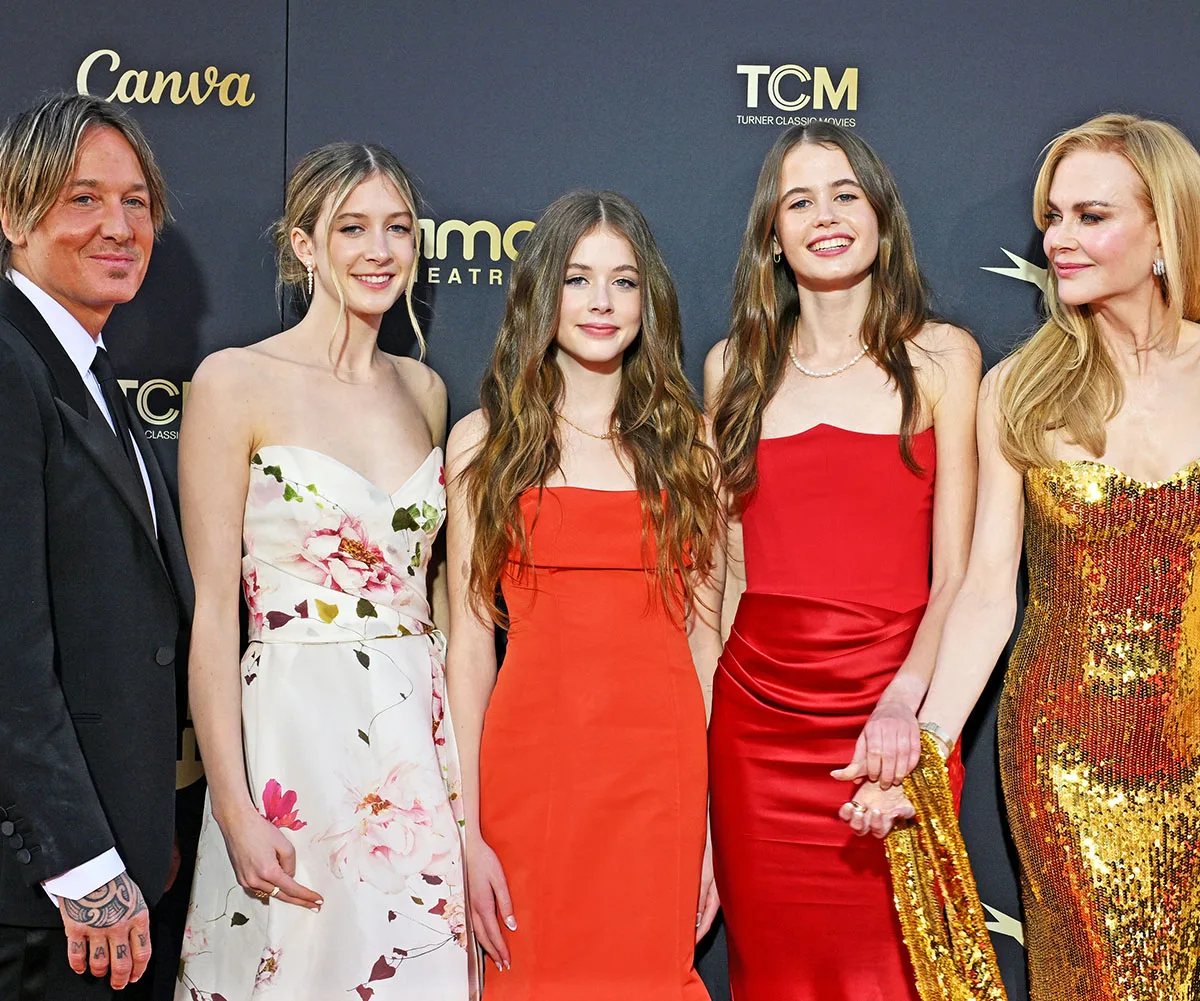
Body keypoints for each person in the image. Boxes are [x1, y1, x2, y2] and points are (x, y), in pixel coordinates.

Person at [904, 113, 1200, 1000]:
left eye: (1090, 216)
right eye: (1053, 217)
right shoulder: (1019, 389)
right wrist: (928, 746)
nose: (1058, 240)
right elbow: (988, 592)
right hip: (1065, 753)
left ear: (1164, 231)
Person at [175, 143, 475, 1000]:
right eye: (352, 228)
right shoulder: (234, 381)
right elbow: (213, 616)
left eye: (398, 228)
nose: (380, 250)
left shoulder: (423, 391)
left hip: (415, 743)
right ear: (304, 245)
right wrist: (233, 804)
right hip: (292, 738)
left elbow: (439, 604)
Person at [704, 123, 980, 1001]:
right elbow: (724, 580)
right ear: (772, 236)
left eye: (845, 194)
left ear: (881, 216)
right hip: (755, 728)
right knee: (777, 974)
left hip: (891, 716)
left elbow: (957, 577)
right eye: (800, 201)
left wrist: (906, 703)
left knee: (889, 976)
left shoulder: (943, 357)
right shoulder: (732, 369)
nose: (825, 216)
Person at [445, 189, 723, 1000]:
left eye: (623, 281)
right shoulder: (485, 443)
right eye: (577, 278)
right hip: (530, 772)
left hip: (660, 774)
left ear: (648, 299)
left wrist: (713, 822)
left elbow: (706, 640)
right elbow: (469, 645)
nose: (602, 301)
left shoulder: (691, 446)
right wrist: (467, 828)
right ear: (542, 292)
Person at [0, 93, 193, 999]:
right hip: (45, 899)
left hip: (115, 871)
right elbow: (8, 651)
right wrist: (82, 864)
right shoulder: (9, 365)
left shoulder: (86, 368)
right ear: (13, 214)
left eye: (136, 203)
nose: (118, 227)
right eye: (83, 199)